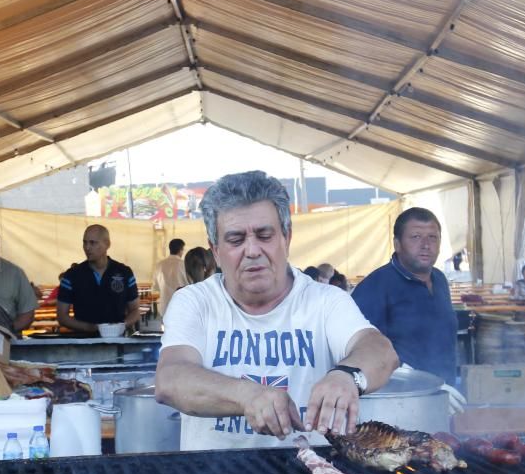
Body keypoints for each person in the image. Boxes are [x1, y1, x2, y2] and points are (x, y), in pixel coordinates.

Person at [155, 170, 398, 450]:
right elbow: (170, 379)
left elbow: (381, 351)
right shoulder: (195, 301)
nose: (253, 250)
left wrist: (347, 376)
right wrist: (246, 396)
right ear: (216, 251)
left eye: (264, 235)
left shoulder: (325, 301)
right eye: (235, 239)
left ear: (286, 238)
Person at [352, 207, 457, 385]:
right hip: (400, 397)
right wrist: (415, 378)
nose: (425, 244)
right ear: (397, 244)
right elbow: (360, 350)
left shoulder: (439, 279)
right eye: (415, 237)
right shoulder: (375, 287)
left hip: (446, 392)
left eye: (433, 237)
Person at [57, 224, 140, 333]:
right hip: (84, 342)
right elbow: (62, 316)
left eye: (93, 243)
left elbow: (135, 310)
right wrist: (91, 328)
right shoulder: (72, 275)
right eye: (84, 242)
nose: (87, 248)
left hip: (118, 340)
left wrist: (119, 327)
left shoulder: (124, 272)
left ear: (107, 244)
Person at [151, 238, 189, 314]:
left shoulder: (159, 265)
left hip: (165, 306)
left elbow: (156, 287)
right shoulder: (184, 265)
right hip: (181, 306)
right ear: (180, 250)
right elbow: (189, 285)